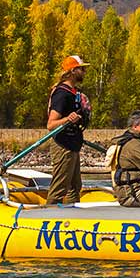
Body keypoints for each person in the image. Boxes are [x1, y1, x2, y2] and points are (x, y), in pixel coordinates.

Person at [44, 55, 91, 204]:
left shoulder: (74, 92)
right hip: (63, 146)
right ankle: (49, 213)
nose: (84, 72)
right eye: (81, 69)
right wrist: (67, 119)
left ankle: (73, 213)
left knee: (74, 187)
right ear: (72, 71)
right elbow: (51, 124)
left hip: (73, 145)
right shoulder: (62, 93)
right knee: (59, 188)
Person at [109, 111, 140, 207]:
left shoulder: (137, 142)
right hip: (133, 194)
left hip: (137, 190)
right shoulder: (135, 146)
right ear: (135, 127)